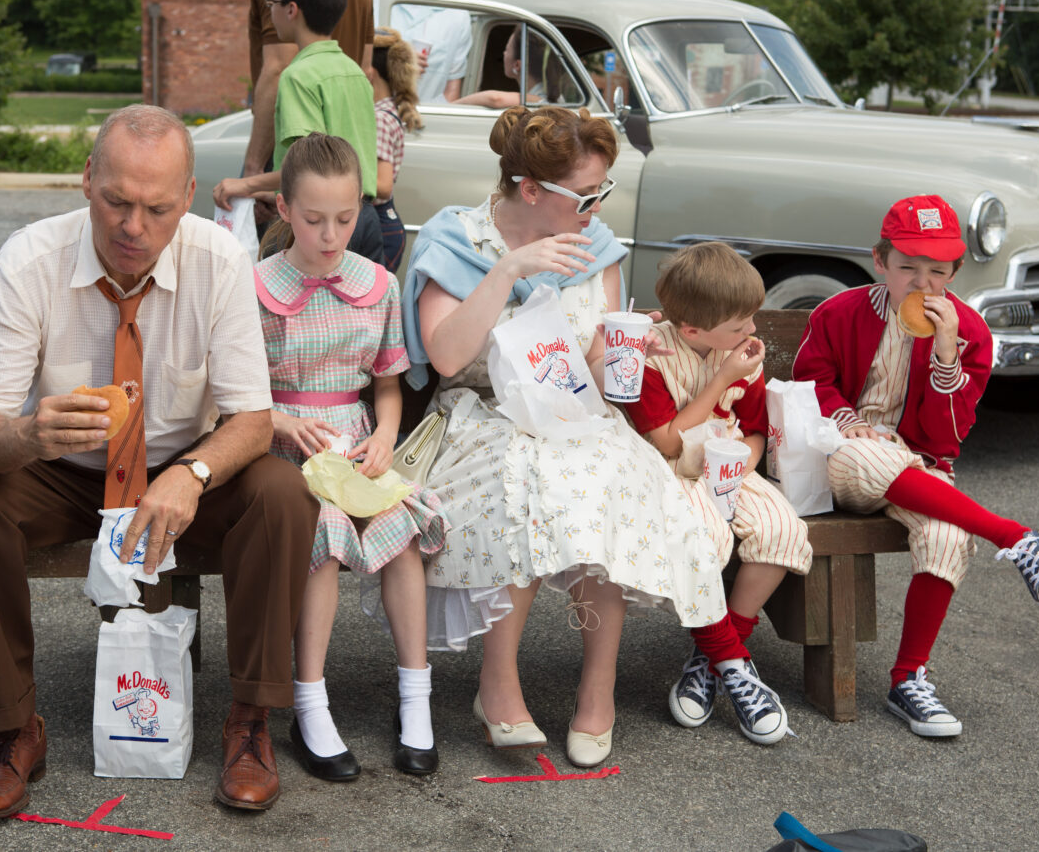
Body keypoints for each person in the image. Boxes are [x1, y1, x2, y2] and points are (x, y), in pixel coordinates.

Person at [0, 105, 319, 819]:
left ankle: (250, 720)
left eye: (158, 208)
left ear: (189, 195)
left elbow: (253, 419)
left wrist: (192, 473)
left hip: (182, 468)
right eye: (117, 201)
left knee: (283, 493)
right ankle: (14, 730)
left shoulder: (219, 257)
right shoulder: (28, 260)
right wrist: (31, 435)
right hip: (62, 468)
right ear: (86, 180)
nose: (134, 227)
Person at [402, 105, 728, 769]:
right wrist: (509, 271)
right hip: (481, 413)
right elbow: (443, 357)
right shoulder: (456, 240)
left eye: (604, 191)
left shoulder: (596, 246)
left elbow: (596, 362)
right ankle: (497, 687)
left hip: (576, 412)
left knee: (604, 478)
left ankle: (597, 686)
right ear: (530, 190)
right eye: (587, 195)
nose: (598, 206)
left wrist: (619, 360)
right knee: (526, 478)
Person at [792, 194, 1039, 738]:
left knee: (947, 535)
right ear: (880, 261)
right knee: (866, 452)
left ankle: (908, 679)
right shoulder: (840, 312)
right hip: (841, 459)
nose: (922, 285)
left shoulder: (970, 333)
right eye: (907, 268)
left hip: (920, 469)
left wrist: (947, 354)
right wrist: (847, 419)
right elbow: (811, 385)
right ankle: (1013, 535)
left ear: (956, 271)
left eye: (937, 272)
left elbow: (945, 438)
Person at [256, 132, 447, 781]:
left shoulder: (379, 285)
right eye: (313, 220)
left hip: (355, 438)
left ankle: (414, 697)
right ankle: (309, 701)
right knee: (327, 536)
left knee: (402, 529)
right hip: (282, 445)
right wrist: (281, 419)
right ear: (284, 210)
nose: (331, 235)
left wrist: (387, 435)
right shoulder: (256, 287)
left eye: (345, 219)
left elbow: (387, 385)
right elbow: (236, 394)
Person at [623, 242, 811, 745]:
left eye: (752, 318)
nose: (751, 332)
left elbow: (752, 430)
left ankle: (709, 660)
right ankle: (735, 668)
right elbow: (666, 440)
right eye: (739, 324)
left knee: (781, 529)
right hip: (669, 471)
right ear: (692, 331)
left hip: (727, 465)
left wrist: (743, 464)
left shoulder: (741, 351)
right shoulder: (653, 356)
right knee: (699, 538)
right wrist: (722, 378)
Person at [214, 0, 382, 265]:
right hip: (363, 217)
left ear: (291, 10)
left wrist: (244, 184)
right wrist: (270, 193)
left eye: (272, 2)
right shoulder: (354, 72)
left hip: (320, 226)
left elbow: (305, 169)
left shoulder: (297, 76)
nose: (270, 9)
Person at [239, 0, 373, 209]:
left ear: (290, 10)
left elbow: (278, 68)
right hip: (354, 194)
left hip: (298, 184)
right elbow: (366, 68)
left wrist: (252, 171)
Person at [370, 26, 421, 271]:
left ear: (370, 72)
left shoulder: (379, 118)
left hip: (380, 226)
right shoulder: (387, 110)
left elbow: (383, 185)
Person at [454, 25, 561, 109]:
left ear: (517, 65)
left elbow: (495, 99)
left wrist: (452, 106)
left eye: (507, 50)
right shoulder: (547, 91)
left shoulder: (539, 98)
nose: (504, 54)